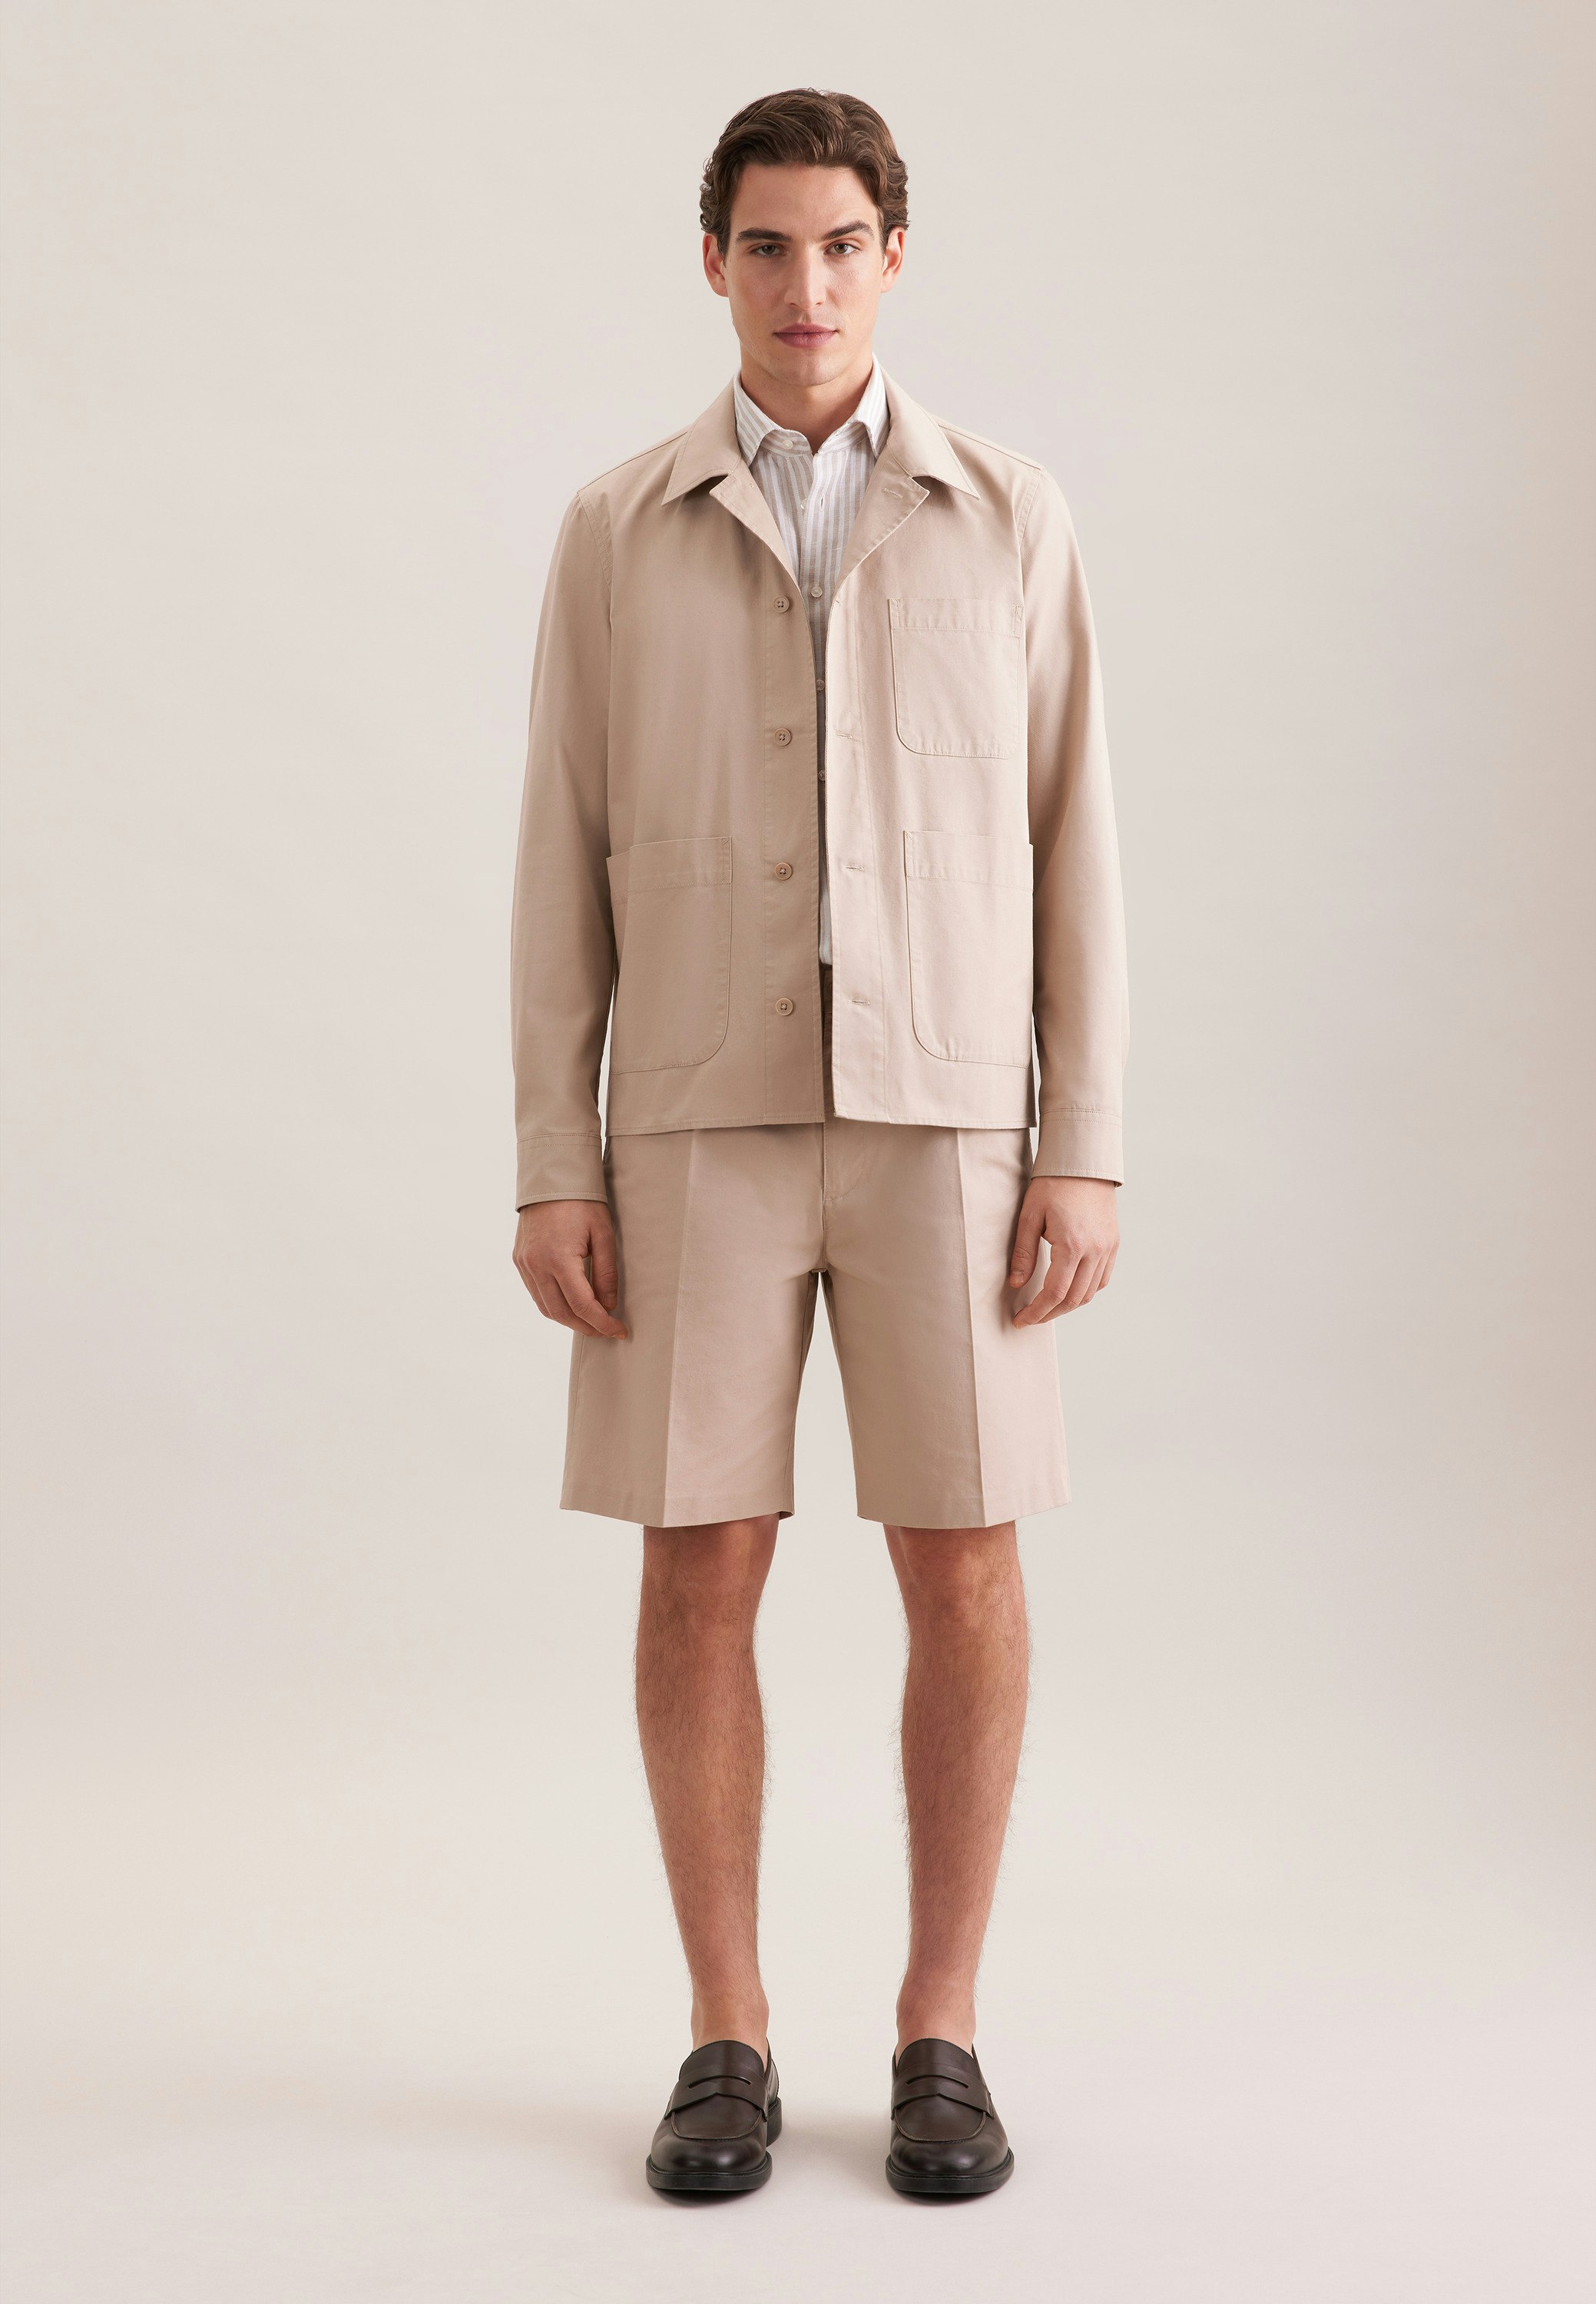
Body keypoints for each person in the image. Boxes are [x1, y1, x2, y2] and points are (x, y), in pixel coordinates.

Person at [509, 87, 1127, 2200]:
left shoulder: (1009, 513)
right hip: (697, 1116)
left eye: (843, 244)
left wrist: (1081, 1138)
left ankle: (942, 2032)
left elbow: (1076, 834)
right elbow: (560, 850)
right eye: (767, 246)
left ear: (894, 258)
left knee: (967, 1562)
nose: (807, 286)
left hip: (952, 1122)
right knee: (702, 1564)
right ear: (715, 263)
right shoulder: (617, 528)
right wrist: (556, 1150)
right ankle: (727, 2035)